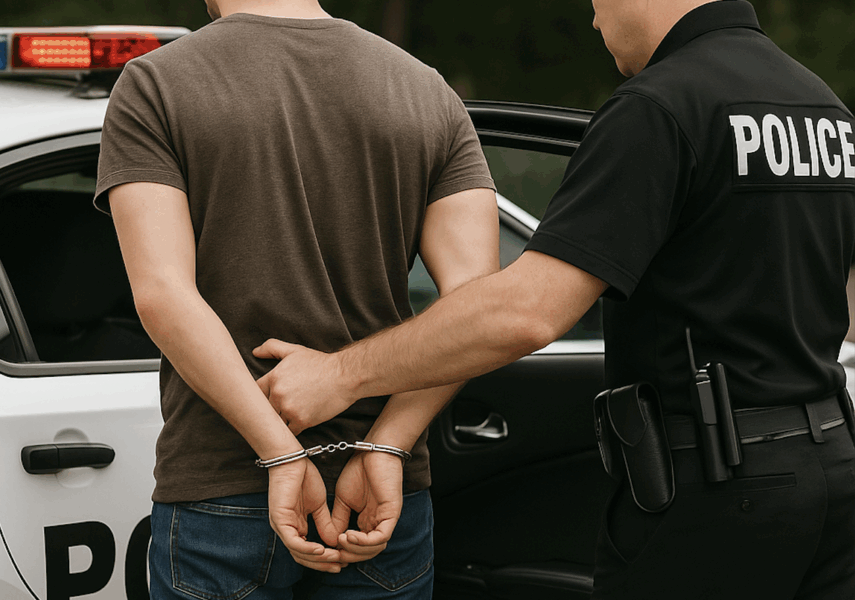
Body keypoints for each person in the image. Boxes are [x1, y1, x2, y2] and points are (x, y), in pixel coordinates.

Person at [253, 0, 855, 598]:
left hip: (718, 491)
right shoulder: (825, 110)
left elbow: (527, 311)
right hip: (835, 470)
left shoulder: (660, 105)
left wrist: (340, 374)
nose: (593, 19)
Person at [93, 0, 499, 597]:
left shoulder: (157, 83)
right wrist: (389, 442)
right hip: (380, 492)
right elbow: (478, 306)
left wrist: (280, 453)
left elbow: (163, 293)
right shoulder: (425, 89)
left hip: (222, 484)